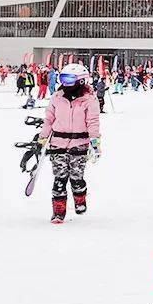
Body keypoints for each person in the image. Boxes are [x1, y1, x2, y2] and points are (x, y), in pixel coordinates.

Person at [38, 64, 101, 224]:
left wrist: (95, 142)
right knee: (60, 178)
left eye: (69, 79)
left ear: (81, 81)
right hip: (58, 142)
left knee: (76, 177)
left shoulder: (89, 99)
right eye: (63, 79)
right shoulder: (57, 97)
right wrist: (42, 139)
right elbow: (49, 120)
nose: (65, 83)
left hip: (79, 144)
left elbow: (93, 122)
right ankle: (58, 212)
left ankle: (80, 198)